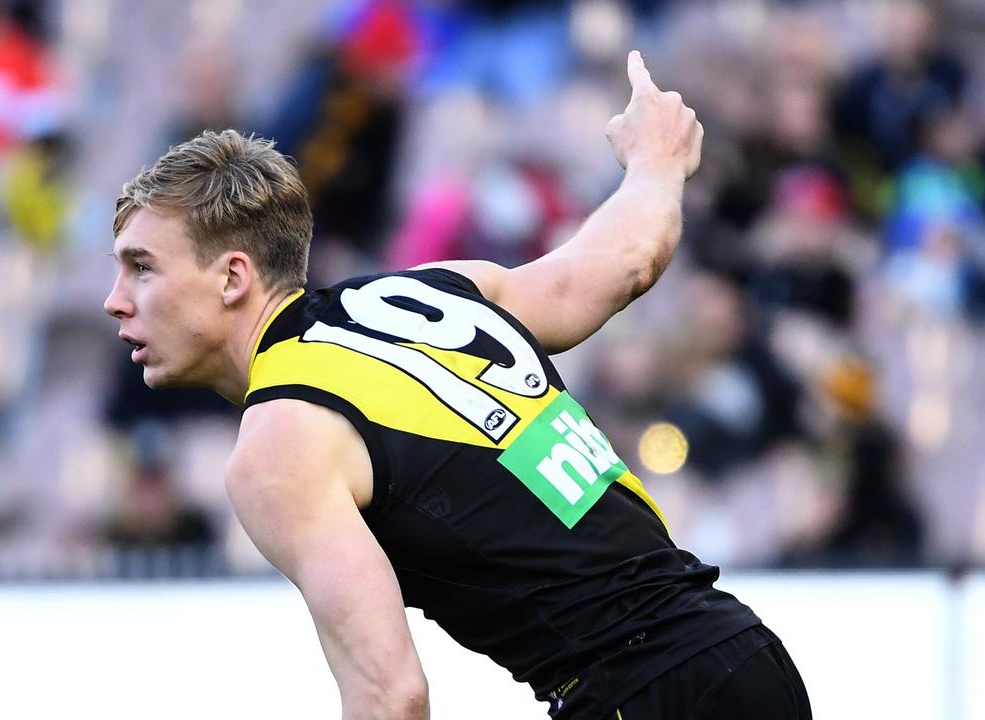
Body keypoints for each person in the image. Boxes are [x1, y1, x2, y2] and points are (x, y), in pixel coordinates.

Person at [104, 52, 810, 720]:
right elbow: (622, 263)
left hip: (637, 688)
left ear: (232, 277)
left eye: (142, 267)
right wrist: (657, 161)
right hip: (739, 651)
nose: (114, 299)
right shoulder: (433, 293)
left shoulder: (280, 441)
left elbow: (392, 697)